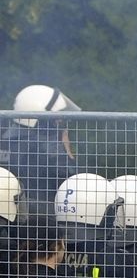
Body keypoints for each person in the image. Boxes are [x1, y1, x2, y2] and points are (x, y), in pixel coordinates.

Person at [1, 84, 80, 219]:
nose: (60, 123)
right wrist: (66, 148)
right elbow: (73, 181)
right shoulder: (45, 147)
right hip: (43, 221)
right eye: (56, 119)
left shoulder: (7, 139)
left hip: (10, 218)